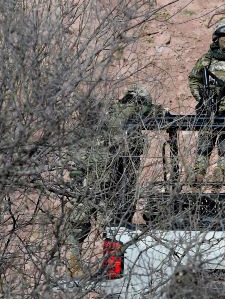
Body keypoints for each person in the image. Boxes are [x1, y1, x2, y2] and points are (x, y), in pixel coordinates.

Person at [66, 84, 167, 276]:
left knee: (80, 221)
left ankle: (75, 261)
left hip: (89, 178)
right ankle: (109, 266)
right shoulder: (133, 110)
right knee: (112, 225)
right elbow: (153, 112)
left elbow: (76, 156)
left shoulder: (105, 115)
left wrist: (77, 178)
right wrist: (162, 111)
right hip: (109, 179)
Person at [187, 21, 225, 184]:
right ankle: (198, 176)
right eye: (224, 35)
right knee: (204, 143)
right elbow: (193, 79)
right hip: (210, 108)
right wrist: (201, 98)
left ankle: (218, 177)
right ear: (216, 38)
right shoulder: (207, 59)